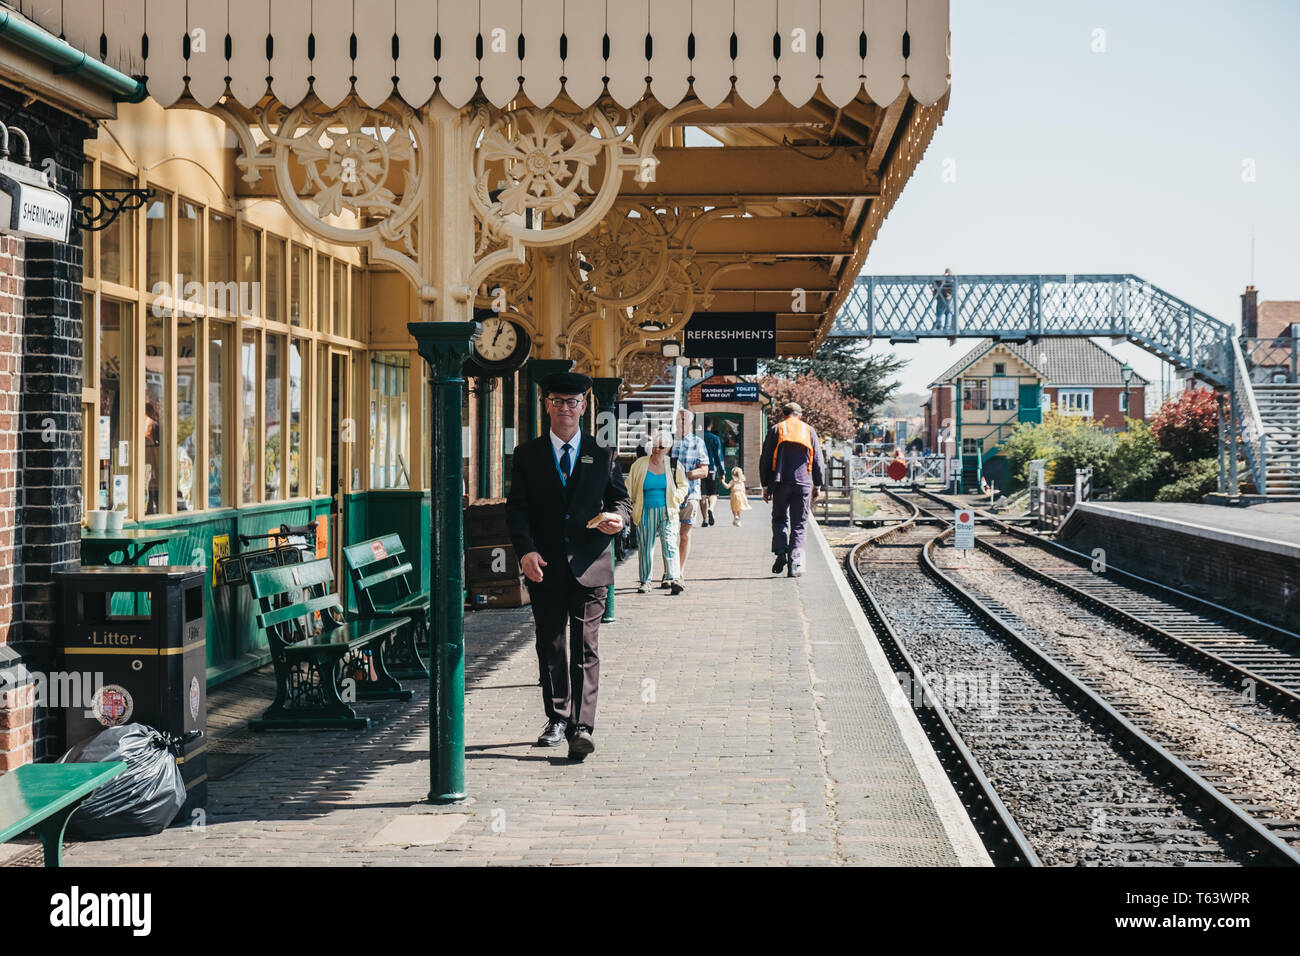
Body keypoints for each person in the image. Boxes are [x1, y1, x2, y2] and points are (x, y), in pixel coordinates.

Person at [506, 371, 632, 760]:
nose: (565, 408)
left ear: (583, 407)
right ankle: (557, 718)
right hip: (544, 565)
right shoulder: (528, 455)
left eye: (572, 402)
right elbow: (518, 510)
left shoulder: (603, 453)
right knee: (551, 643)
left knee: (586, 646)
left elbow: (622, 501)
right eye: (557, 400)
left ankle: (582, 726)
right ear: (546, 405)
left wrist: (619, 519)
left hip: (590, 563)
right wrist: (525, 551)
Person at [760, 401, 826, 578]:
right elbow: (819, 461)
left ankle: (781, 551)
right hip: (803, 483)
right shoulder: (809, 430)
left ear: (783, 414)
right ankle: (795, 563)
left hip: (780, 483)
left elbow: (765, 458)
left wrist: (765, 485)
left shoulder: (777, 429)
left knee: (780, 518)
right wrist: (818, 485)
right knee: (799, 524)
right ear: (800, 415)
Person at [626, 432, 687, 594]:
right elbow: (629, 486)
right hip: (645, 510)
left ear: (667, 448)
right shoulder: (639, 464)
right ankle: (645, 581)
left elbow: (683, 485)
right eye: (654, 445)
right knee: (646, 547)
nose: (656, 449)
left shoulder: (673, 465)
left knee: (670, 544)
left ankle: (673, 578)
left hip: (668, 510)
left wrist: (678, 497)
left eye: (661, 447)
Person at [669, 408, 709, 580]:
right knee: (668, 535)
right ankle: (669, 571)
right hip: (669, 494)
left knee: (684, 534)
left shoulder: (698, 443)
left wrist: (686, 474)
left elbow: (705, 470)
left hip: (691, 493)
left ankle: (680, 571)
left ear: (691, 423)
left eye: (684, 420)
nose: (681, 423)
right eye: (679, 420)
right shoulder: (667, 441)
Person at [700, 419, 724, 527]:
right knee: (713, 493)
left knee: (702, 495)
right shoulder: (715, 438)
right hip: (712, 469)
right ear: (710, 425)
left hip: (699, 469)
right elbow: (718, 456)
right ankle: (711, 509)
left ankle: (704, 519)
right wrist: (722, 471)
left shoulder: (697, 438)